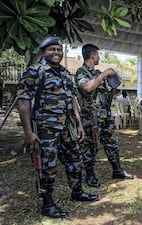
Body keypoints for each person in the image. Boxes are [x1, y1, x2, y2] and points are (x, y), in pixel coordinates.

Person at [17, 37, 99, 219]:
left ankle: (77, 191)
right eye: (52, 49)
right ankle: (48, 204)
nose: (56, 53)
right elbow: (23, 102)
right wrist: (28, 132)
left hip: (67, 126)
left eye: (59, 49)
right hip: (46, 128)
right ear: (43, 52)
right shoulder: (35, 71)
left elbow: (72, 99)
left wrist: (78, 123)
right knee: (47, 165)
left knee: (75, 159)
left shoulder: (64, 72)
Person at [75, 44, 133, 188]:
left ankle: (117, 170)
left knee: (112, 144)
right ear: (92, 56)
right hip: (90, 119)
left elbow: (105, 97)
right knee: (90, 147)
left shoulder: (97, 74)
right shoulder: (81, 72)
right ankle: (89, 175)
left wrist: (113, 88)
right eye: (98, 55)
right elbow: (88, 88)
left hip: (105, 117)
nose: (99, 58)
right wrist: (103, 75)